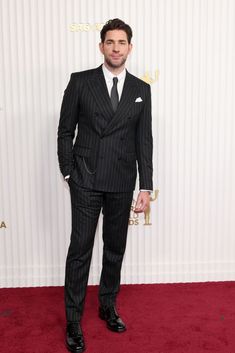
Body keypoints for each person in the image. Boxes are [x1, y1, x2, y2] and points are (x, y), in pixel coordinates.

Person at [57, 18, 153, 353]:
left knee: (115, 249)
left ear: (130, 47)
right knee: (80, 249)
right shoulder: (81, 82)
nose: (115, 48)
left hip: (122, 180)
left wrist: (146, 186)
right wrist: (69, 172)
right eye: (109, 42)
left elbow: (145, 141)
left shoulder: (142, 89)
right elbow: (65, 130)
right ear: (101, 46)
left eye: (121, 42)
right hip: (85, 179)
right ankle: (73, 319)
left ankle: (107, 305)